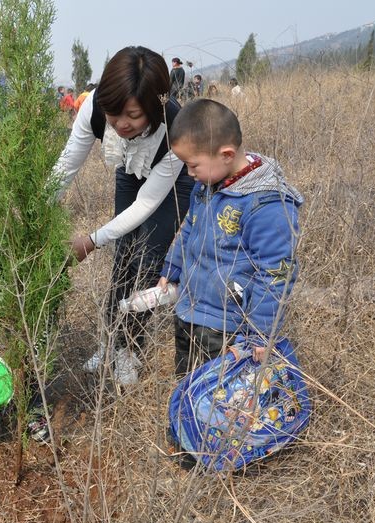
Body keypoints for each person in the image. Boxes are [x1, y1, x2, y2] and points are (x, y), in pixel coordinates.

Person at [53, 46, 193, 386]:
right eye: (114, 114)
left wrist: (91, 240)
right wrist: (38, 210)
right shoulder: (96, 107)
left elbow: (146, 205)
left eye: (132, 115)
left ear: (154, 107)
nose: (121, 124)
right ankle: (110, 342)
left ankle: (130, 348)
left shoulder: (176, 125)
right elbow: (66, 165)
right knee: (124, 257)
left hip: (172, 183)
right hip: (131, 171)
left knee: (146, 261)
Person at [158, 99, 303, 376]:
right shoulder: (207, 185)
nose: (189, 174)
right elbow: (190, 227)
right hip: (190, 310)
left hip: (227, 326)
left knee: (221, 398)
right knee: (189, 385)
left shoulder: (266, 205)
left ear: (226, 154)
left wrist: (261, 332)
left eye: (193, 165)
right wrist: (173, 267)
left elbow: (275, 274)